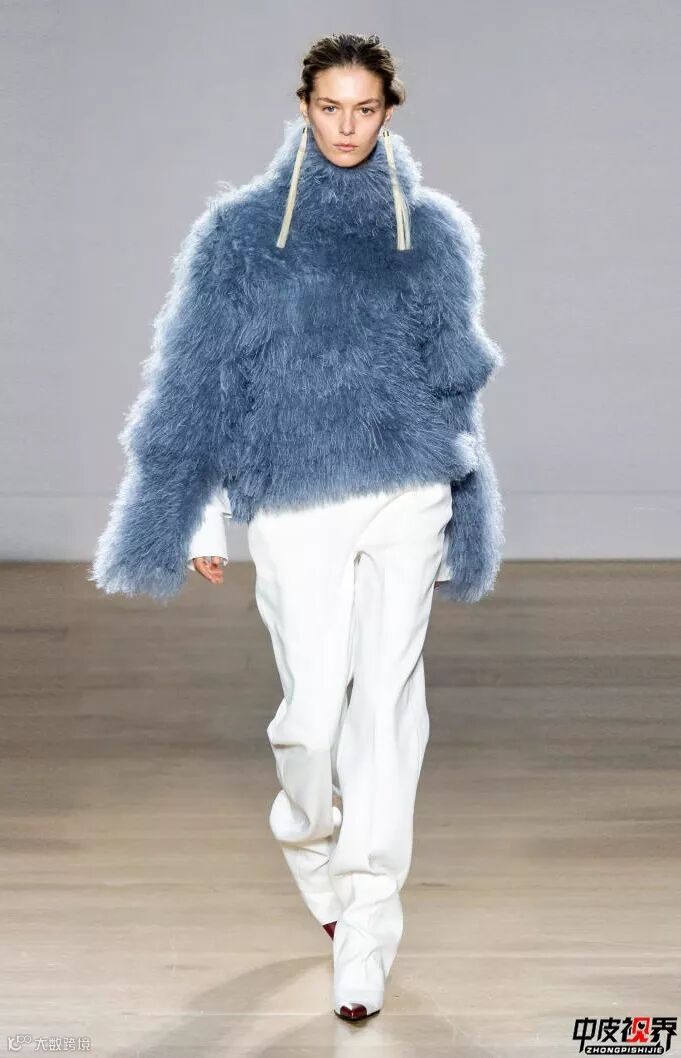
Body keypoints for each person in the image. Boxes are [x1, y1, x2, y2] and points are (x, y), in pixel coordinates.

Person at [88, 33, 505, 1022]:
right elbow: (196, 374)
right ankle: (306, 833)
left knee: (385, 717)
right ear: (304, 106)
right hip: (293, 496)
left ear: (388, 111)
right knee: (312, 716)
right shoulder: (240, 233)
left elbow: (455, 384)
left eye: (365, 108)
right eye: (330, 106)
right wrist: (195, 509)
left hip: (410, 495)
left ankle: (365, 931)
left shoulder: (432, 233)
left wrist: (466, 512)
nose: (347, 126)